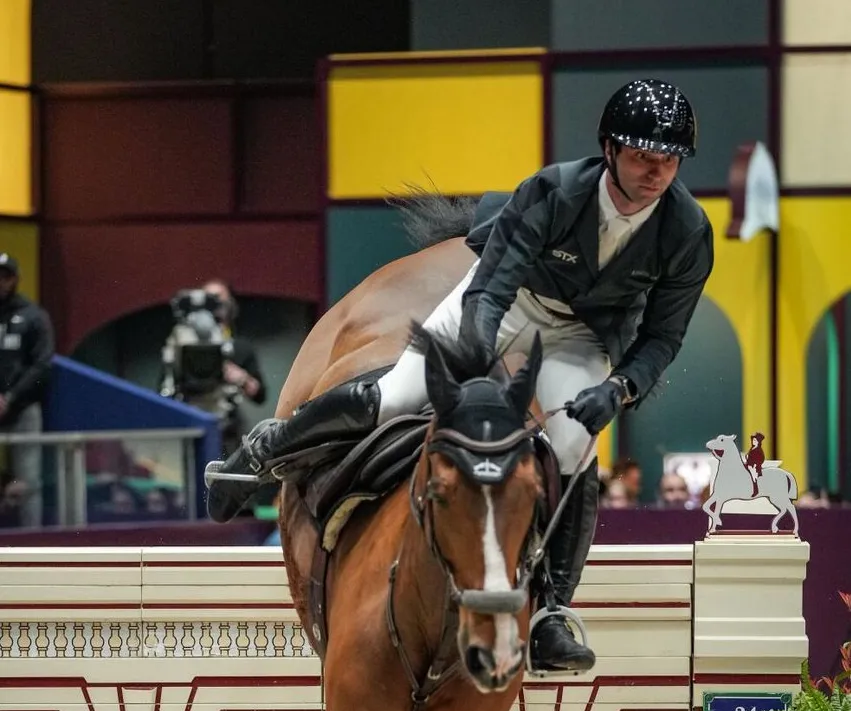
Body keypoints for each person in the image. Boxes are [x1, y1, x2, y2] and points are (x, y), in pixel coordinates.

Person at [210, 80, 713, 673]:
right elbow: (491, 292)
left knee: (577, 445)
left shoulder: (687, 231)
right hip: (500, 302)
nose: (656, 173)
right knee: (397, 395)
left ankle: (551, 612)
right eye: (642, 158)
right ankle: (266, 451)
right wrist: (473, 357)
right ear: (609, 150)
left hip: (578, 336)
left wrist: (619, 388)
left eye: (668, 161)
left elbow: (663, 337)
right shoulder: (552, 192)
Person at [0, 253, 55, 527]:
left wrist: (10, 397)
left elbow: (42, 365)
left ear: (14, 279)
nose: (1, 281)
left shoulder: (33, 316)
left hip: (23, 409)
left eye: (5, 276)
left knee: (29, 481)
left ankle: (31, 538)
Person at [202, 280, 267, 456]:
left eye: (218, 299)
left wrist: (242, 378)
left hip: (229, 430)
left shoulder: (240, 347)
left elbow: (260, 394)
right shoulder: (185, 347)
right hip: (193, 423)